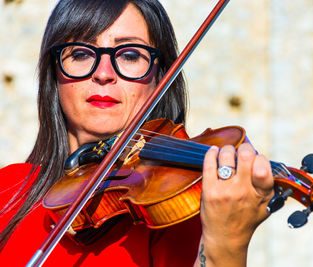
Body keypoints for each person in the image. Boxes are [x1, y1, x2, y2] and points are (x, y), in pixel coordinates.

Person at [0, 0, 274, 266]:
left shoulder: (170, 215)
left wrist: (226, 245)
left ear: (159, 77)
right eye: (81, 54)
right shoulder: (9, 189)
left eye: (130, 55)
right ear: (54, 72)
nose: (104, 73)